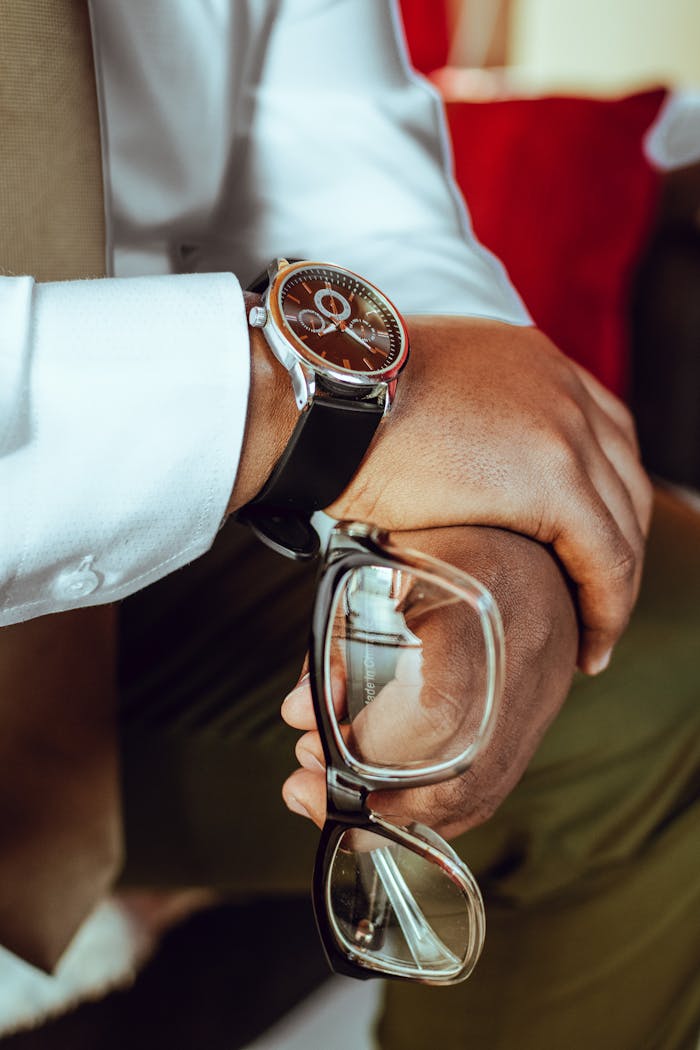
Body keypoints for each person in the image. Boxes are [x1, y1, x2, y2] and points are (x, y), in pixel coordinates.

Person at [0, 2, 697, 1047]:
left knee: (680, 641)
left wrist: (485, 517)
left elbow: (360, 191)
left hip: (161, 533)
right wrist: (279, 403)